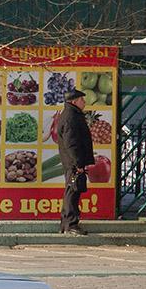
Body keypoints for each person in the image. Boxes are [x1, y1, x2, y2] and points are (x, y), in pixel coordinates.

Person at [57, 87, 96, 236]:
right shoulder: (71, 117)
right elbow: (71, 143)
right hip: (73, 163)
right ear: (74, 101)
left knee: (72, 190)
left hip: (73, 162)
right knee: (72, 191)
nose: (84, 102)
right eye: (82, 99)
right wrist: (78, 163)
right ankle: (71, 224)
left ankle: (66, 223)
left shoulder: (72, 114)